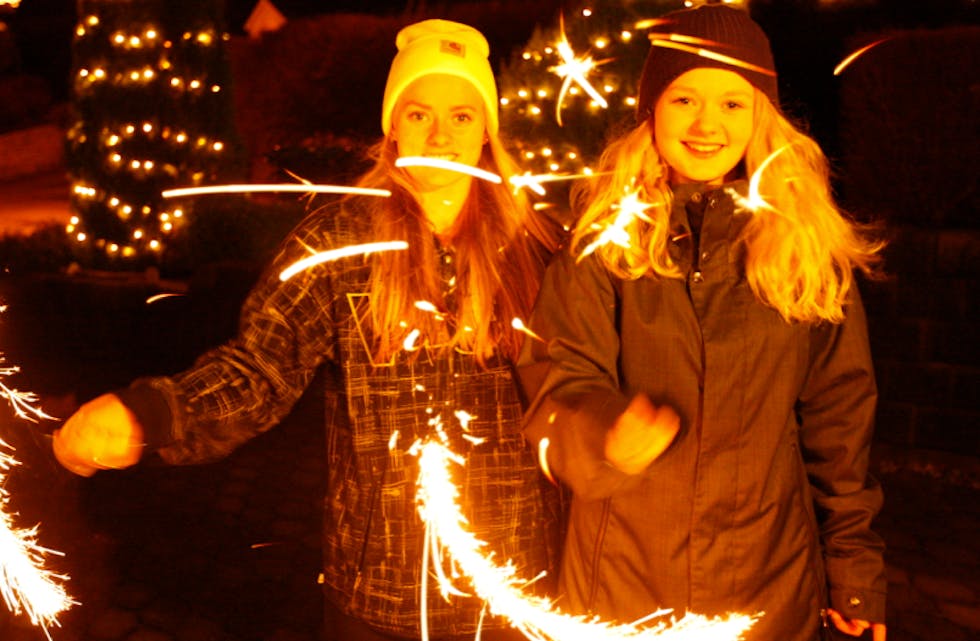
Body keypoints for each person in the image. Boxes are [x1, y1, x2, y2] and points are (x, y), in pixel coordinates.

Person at [52, 19, 563, 641]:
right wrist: (152, 414)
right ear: (393, 127)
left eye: (461, 115)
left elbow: (580, 382)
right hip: (381, 589)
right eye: (418, 114)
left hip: (512, 582)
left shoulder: (537, 247)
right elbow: (260, 369)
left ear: (486, 129)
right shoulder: (338, 243)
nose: (440, 135)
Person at [518, 4, 887, 641]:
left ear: (761, 115)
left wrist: (853, 570)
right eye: (685, 99)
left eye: (732, 103)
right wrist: (605, 432)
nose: (707, 124)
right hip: (622, 584)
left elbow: (840, 420)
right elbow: (558, 377)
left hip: (769, 583)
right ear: (651, 110)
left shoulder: (805, 250)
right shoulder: (603, 247)